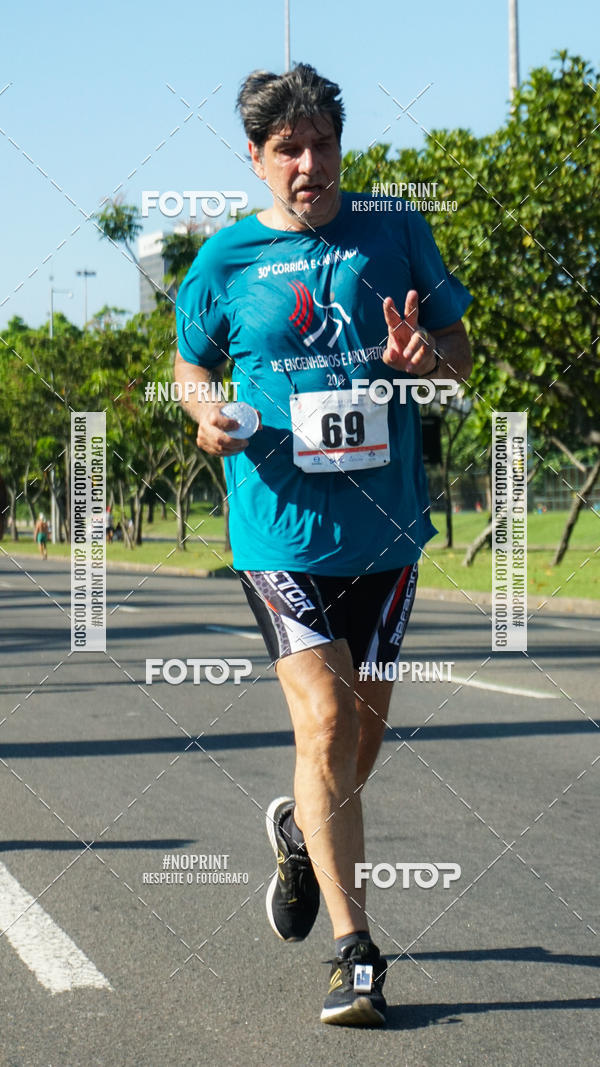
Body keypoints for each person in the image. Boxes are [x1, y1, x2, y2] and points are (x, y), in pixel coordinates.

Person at [174, 63, 472, 1027]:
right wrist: (203, 412)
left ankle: (303, 835)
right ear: (256, 159)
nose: (310, 164)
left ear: (341, 144)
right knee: (328, 729)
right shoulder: (223, 260)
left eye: (323, 144)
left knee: (360, 747)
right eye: (288, 150)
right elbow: (190, 367)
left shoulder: (395, 233)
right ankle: (356, 954)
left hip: (385, 535)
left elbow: (461, 354)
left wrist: (429, 359)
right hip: (278, 531)